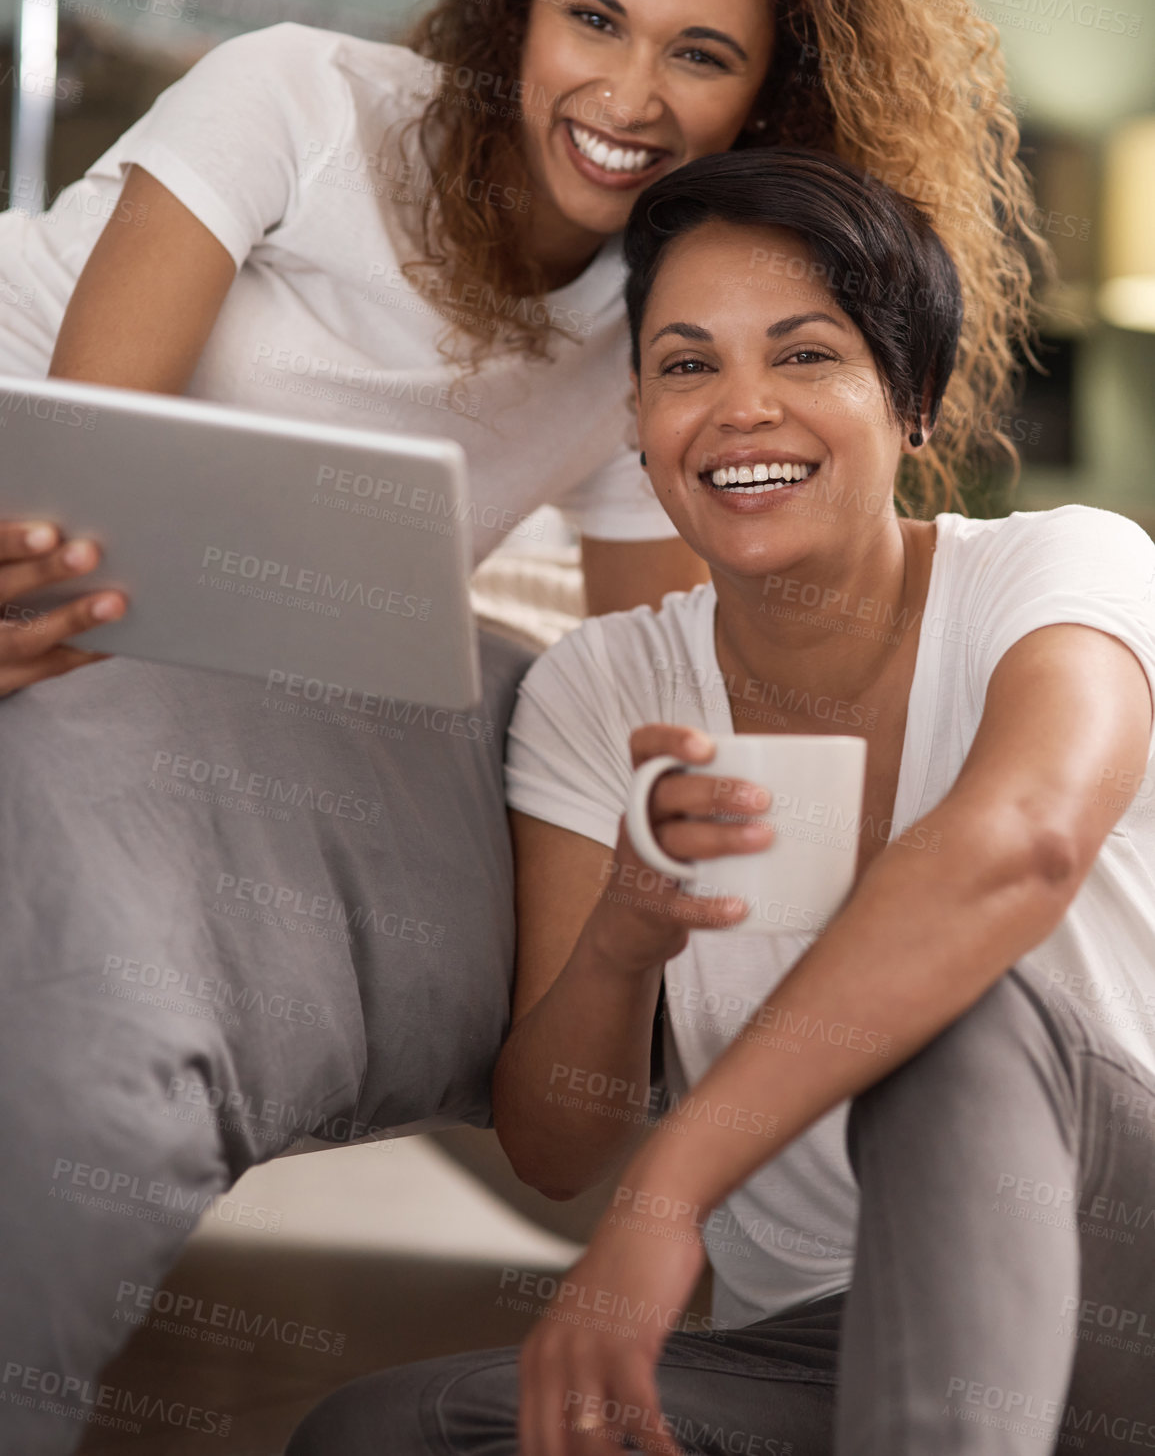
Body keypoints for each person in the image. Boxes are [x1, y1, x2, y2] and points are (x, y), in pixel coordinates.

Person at [0, 0, 1044, 1453]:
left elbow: (675, 674)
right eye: (594, 20)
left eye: (702, 57)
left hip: (195, 603)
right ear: (516, 10)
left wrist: (711, 829)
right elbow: (84, 465)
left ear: (769, 99)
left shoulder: (653, 332)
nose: (630, 94)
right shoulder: (292, 99)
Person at [286, 148, 1155, 1455]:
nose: (742, 408)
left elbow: (1019, 848)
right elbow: (556, 1145)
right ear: (636, 421)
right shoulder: (606, 686)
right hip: (827, 1344)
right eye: (688, 365)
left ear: (911, 398)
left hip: (1120, 1275)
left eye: (805, 356)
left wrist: (669, 1197)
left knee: (964, 1022)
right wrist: (629, 932)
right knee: (383, 1434)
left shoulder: (1061, 572)